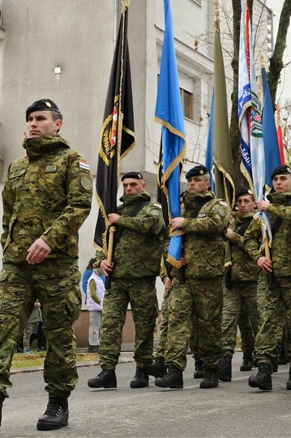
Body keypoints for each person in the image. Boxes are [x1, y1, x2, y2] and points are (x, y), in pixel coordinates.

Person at [0, 99, 92, 432]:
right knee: (1, 329)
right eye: (29, 118)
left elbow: (80, 206)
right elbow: (8, 216)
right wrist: (8, 247)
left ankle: (58, 403)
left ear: (57, 124)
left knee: (57, 335)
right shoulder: (17, 167)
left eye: (40, 118)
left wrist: (49, 239)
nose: (33, 123)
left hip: (56, 267)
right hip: (16, 267)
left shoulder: (73, 161)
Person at [87, 171, 165, 389]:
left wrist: (122, 220)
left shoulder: (153, 208)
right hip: (117, 280)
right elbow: (104, 243)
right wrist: (101, 262)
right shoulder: (115, 213)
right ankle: (107, 370)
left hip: (142, 279)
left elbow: (152, 225)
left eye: (133, 185)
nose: (128, 189)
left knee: (144, 325)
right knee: (110, 324)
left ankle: (142, 370)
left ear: (143, 185)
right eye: (125, 185)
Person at [155, 165, 230, 390]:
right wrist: (174, 256)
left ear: (208, 184)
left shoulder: (218, 206)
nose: (192, 184)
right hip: (183, 277)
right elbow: (169, 237)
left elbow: (217, 224)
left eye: (197, 180)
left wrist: (186, 224)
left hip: (208, 277)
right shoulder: (179, 209)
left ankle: (210, 369)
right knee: (177, 322)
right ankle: (174, 370)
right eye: (190, 180)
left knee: (208, 325)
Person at [246, 165, 291, 391]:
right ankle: (264, 369)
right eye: (275, 179)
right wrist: (258, 258)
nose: (278, 182)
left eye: (283, 178)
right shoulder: (263, 213)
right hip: (269, 276)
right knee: (267, 321)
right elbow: (248, 239)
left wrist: (270, 207)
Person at [218, 189, 262, 382]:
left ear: (254, 203)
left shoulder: (259, 222)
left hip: (253, 281)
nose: (242, 204)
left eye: (246, 201)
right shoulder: (231, 221)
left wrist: (233, 236)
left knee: (257, 324)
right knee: (227, 322)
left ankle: (262, 360)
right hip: (231, 281)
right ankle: (225, 361)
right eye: (239, 201)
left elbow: (258, 247)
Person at [85, 266, 104, 354]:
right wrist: (100, 302)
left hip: (99, 306)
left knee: (98, 326)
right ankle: (93, 345)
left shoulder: (98, 278)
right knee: (95, 326)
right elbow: (93, 294)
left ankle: (97, 344)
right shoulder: (93, 279)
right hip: (95, 306)